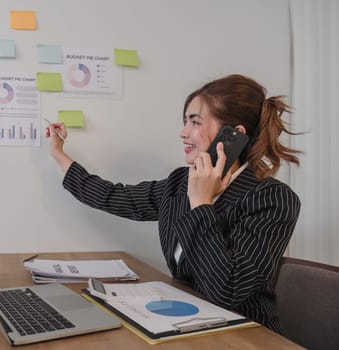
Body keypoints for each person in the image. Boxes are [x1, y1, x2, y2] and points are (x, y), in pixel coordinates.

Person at [45, 74, 301, 333]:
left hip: (246, 336)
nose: (183, 132)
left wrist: (201, 203)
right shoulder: (179, 183)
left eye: (195, 122)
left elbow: (227, 289)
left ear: (233, 135)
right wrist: (58, 154)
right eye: (185, 122)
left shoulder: (272, 199)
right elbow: (111, 196)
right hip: (187, 327)